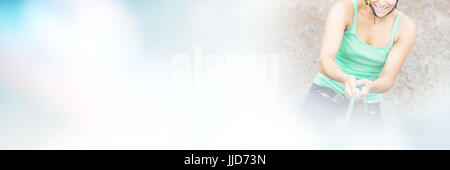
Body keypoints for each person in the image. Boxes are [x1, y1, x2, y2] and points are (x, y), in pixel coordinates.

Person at [300, 0, 416, 138]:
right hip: (328, 91)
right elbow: (325, 60)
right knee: (306, 137)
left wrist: (370, 85)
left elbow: (388, 79)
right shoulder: (344, 9)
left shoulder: (406, 27)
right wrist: (345, 78)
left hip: (366, 101)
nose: (382, 3)